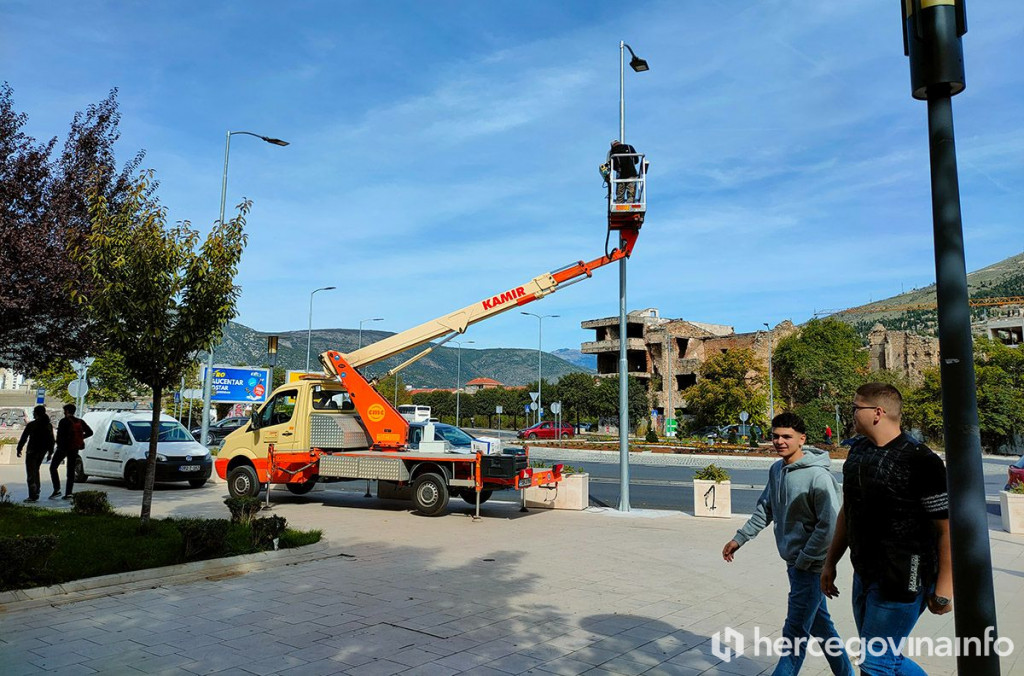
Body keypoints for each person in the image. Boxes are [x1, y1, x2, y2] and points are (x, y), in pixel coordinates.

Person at [821, 383, 952, 675]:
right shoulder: (857, 453)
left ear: (877, 412)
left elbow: (946, 528)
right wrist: (830, 562)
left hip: (905, 575)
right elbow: (849, 511)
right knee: (881, 658)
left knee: (876, 662)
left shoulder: (921, 460)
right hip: (865, 573)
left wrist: (944, 586)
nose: (852, 413)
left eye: (856, 408)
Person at [723, 412, 853, 676]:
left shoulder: (818, 477)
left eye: (787, 437)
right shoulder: (776, 469)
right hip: (795, 564)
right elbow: (765, 509)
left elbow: (830, 525)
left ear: (801, 439)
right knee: (821, 626)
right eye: (776, 436)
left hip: (811, 567)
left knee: (794, 636)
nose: (780, 441)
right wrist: (740, 538)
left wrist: (805, 559)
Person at [49, 403, 93, 500]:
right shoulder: (80, 421)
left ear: (67, 411)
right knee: (70, 470)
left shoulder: (63, 421)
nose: (64, 412)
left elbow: (60, 436)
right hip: (74, 448)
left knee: (53, 467)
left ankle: (57, 489)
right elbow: (90, 432)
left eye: (64, 411)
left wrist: (58, 446)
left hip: (63, 448)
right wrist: (80, 438)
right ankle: (68, 493)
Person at [16, 405, 55, 503]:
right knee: (36, 470)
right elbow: (51, 440)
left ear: (36, 413)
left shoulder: (32, 425)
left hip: (32, 451)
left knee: (31, 473)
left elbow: (24, 437)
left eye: (34, 412)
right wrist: (50, 452)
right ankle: (37, 490)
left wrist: (19, 448)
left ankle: (33, 494)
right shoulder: (48, 425)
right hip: (42, 451)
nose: (33, 413)